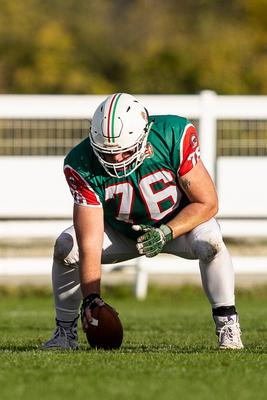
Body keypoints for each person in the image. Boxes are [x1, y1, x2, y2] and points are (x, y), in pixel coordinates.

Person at [42, 93, 243, 350]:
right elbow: (90, 238)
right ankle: (65, 334)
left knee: (210, 242)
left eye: (123, 151)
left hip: (179, 226)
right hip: (122, 232)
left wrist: (166, 232)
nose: (115, 159)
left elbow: (207, 203)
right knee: (66, 246)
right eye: (106, 152)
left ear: (143, 135)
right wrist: (92, 297)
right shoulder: (80, 162)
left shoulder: (172, 134)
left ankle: (227, 324)